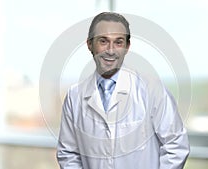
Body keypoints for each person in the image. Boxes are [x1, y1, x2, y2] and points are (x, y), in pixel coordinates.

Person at [56, 12, 190, 169]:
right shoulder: (74, 96)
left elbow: (176, 146)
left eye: (118, 42)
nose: (111, 50)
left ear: (127, 47)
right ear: (90, 44)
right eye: (103, 41)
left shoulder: (152, 89)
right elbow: (68, 153)